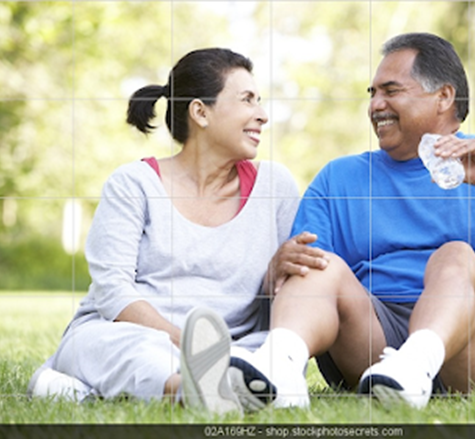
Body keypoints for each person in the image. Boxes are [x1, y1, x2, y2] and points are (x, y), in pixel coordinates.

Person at [228, 32, 475, 410]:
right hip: (378, 349)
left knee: (455, 256)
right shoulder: (338, 178)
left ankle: (417, 363)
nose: (376, 105)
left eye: (391, 90)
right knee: (316, 263)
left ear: (443, 96)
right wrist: (283, 265)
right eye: (371, 93)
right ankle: (278, 372)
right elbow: (306, 285)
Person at [27, 48, 328, 415]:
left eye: (259, 101)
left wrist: (277, 271)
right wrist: (193, 347)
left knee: (269, 349)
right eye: (247, 100)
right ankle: (192, 390)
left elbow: (280, 295)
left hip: (238, 345)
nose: (262, 115)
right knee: (109, 345)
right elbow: (113, 294)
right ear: (200, 112)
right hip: (137, 335)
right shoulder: (133, 184)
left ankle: (79, 389)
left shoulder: (275, 185)